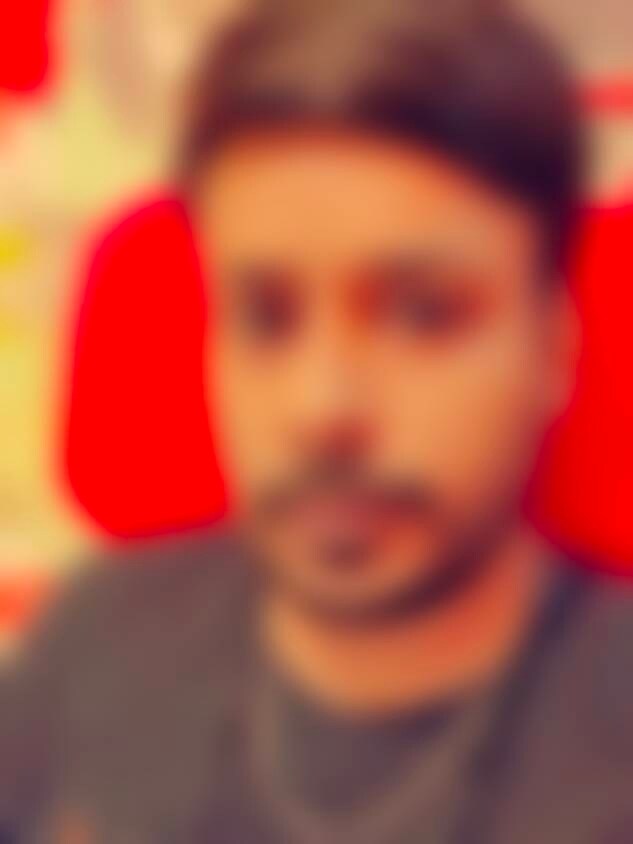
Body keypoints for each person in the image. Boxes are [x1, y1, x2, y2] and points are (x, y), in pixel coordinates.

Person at [3, 0, 633, 841]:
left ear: (552, 346)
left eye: (424, 315)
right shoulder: (99, 637)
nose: (323, 409)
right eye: (266, 317)